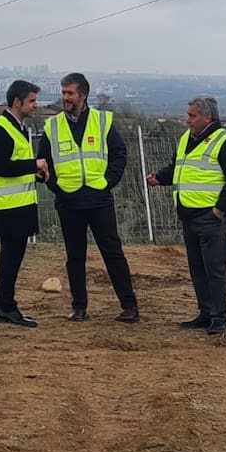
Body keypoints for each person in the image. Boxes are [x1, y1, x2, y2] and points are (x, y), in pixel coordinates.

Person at [38, 72, 139, 323]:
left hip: (99, 199)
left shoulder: (102, 121)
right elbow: (43, 162)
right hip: (68, 201)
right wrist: (56, 186)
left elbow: (119, 153)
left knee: (112, 252)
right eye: (63, 92)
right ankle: (79, 307)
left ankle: (129, 306)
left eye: (70, 93)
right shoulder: (52, 126)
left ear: (83, 95)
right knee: (75, 257)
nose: (65, 97)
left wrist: (107, 182)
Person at [146, 94, 226, 335]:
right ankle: (206, 313)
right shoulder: (186, 139)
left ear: (207, 117)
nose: (187, 120)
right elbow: (178, 169)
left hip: (211, 217)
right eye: (188, 115)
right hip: (188, 216)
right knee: (198, 269)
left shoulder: (225, 142)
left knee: (215, 270)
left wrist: (220, 208)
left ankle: (219, 319)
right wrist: (159, 178)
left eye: (192, 116)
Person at [0, 79, 49, 328]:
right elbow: (1, 167)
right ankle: (7, 306)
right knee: (11, 258)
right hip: (9, 206)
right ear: (17, 102)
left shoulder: (17, 127)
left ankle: (2, 304)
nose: (35, 105)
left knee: (12, 257)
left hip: (20, 204)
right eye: (31, 101)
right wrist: (35, 164)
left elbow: (15, 167)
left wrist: (35, 174)